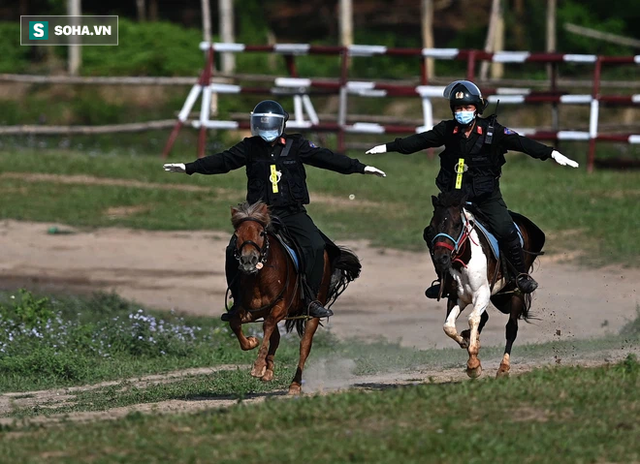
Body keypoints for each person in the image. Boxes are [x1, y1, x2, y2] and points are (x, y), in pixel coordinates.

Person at [164, 100, 386, 319]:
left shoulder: (297, 145)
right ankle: (238, 302)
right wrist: (189, 168)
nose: (266, 128)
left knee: (316, 246)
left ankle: (310, 300)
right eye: (261, 123)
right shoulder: (249, 147)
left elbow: (328, 159)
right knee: (232, 249)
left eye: (270, 124)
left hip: (292, 212)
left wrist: (361, 167)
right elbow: (222, 161)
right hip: (260, 216)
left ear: (281, 125)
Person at [365, 80, 579, 298]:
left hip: (486, 197)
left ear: (477, 109)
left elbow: (522, 143)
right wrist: (387, 147)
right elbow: (419, 141)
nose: (462, 112)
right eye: (458, 108)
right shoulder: (447, 130)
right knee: (432, 233)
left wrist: (551, 153)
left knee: (506, 230)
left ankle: (520, 275)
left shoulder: (493, 132)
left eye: (467, 108)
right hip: (454, 199)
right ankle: (443, 279)